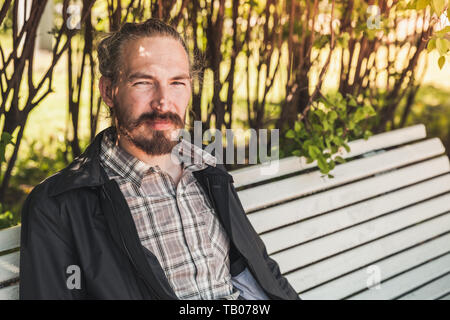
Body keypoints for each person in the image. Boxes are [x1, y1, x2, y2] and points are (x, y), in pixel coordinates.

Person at [19, 18, 300, 300]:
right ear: (108, 91)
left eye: (177, 82)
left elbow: (262, 271)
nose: (163, 102)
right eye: (143, 82)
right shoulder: (60, 205)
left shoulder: (207, 170)